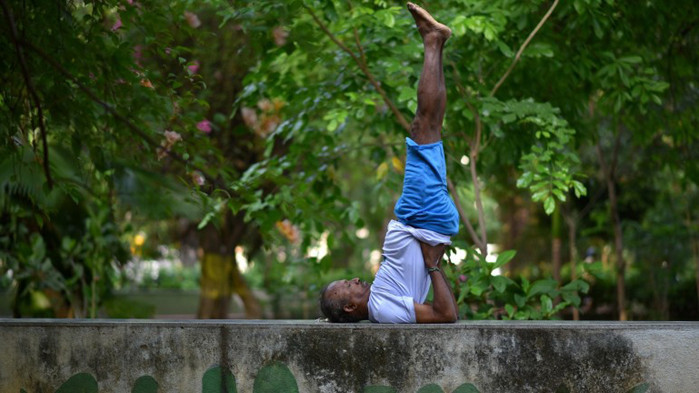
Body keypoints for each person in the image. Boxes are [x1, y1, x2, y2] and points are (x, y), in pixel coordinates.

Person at [320, 2, 459, 323]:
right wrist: (433, 265)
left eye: (348, 280)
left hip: (417, 216)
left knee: (426, 128)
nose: (354, 280)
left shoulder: (380, 301)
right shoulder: (382, 310)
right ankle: (433, 41)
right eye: (347, 288)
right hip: (422, 218)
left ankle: (434, 41)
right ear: (350, 308)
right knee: (423, 127)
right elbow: (445, 315)